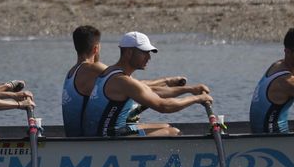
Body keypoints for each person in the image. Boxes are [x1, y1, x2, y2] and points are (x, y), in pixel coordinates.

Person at [79, 32, 212, 137]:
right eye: (144, 52)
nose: (149, 57)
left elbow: (151, 91)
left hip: (104, 131)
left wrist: (190, 89)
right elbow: (163, 106)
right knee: (173, 132)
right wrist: (197, 98)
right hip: (109, 136)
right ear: (129, 52)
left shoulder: (111, 72)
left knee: (165, 126)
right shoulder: (122, 80)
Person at [62, 25, 185, 136]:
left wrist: (167, 82)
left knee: (164, 125)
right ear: (96, 49)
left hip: (77, 134)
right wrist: (166, 81)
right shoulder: (94, 68)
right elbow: (131, 84)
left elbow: (133, 84)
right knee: (171, 131)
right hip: (85, 138)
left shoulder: (72, 72)